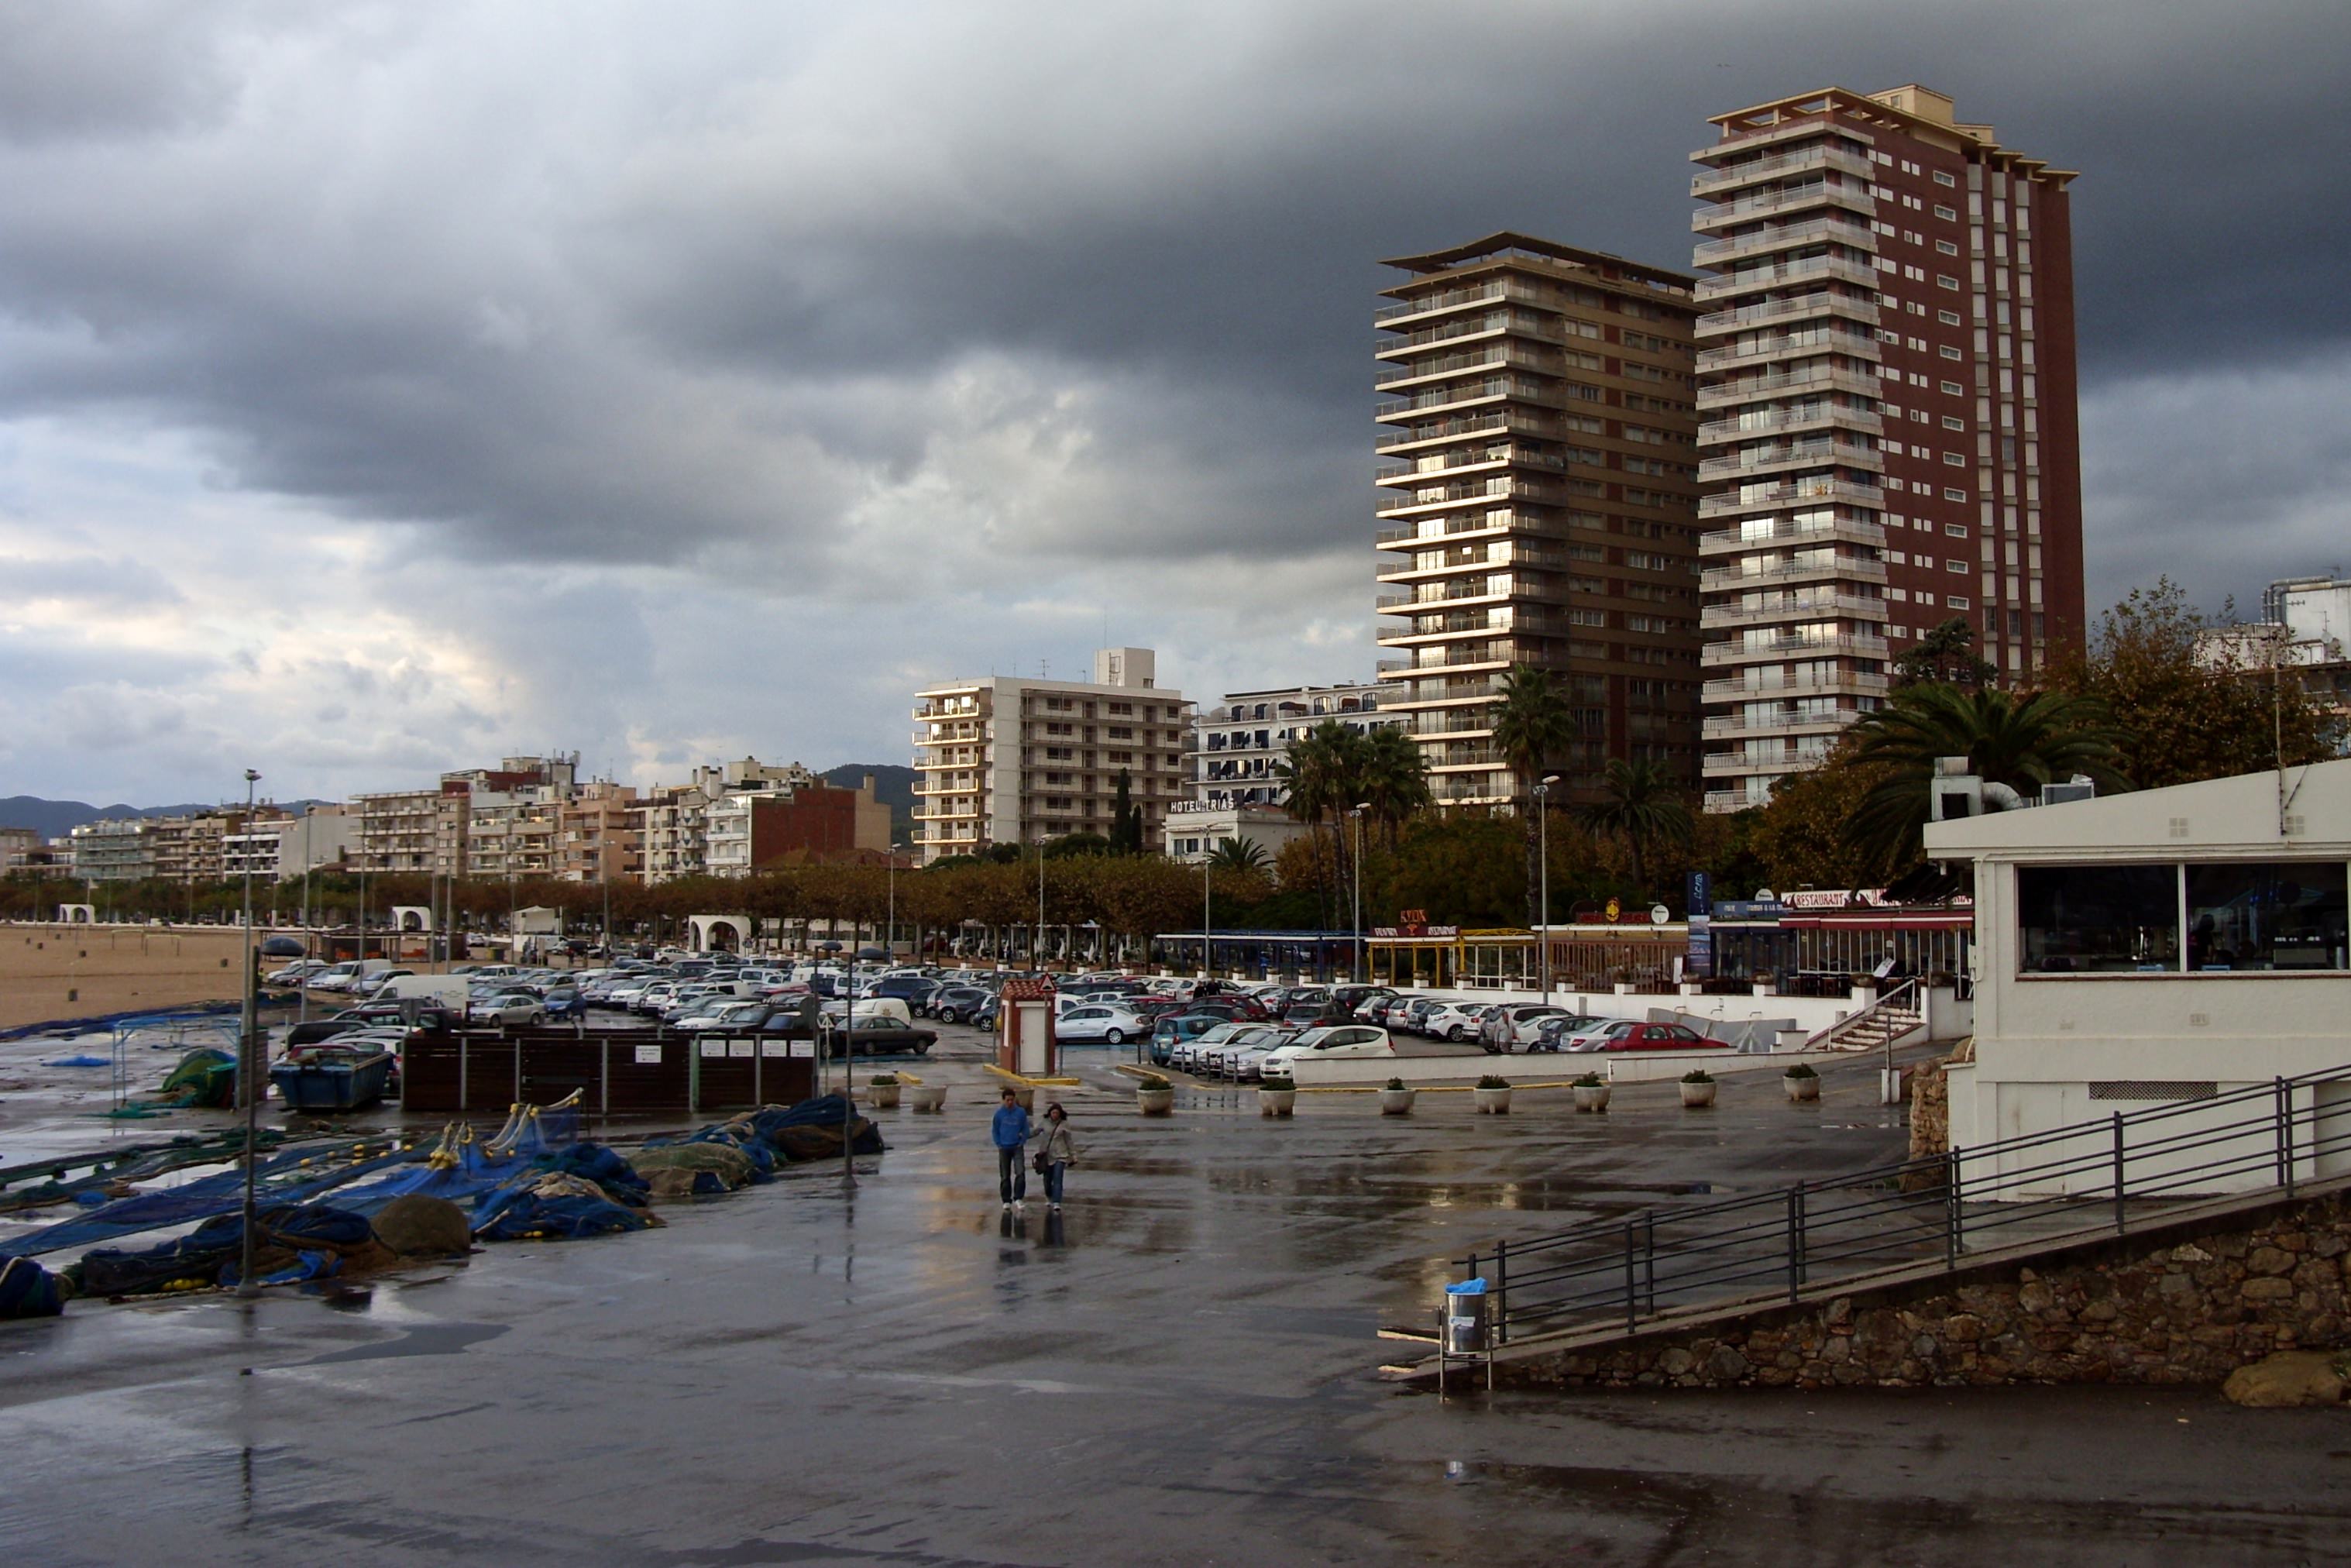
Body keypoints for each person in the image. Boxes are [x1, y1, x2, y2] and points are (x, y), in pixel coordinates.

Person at [1029, 1101, 1078, 1212]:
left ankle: (1057, 1202)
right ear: (1050, 1113)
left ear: (1060, 1114)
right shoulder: (1045, 1122)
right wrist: (1021, 1136)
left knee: (1058, 1179)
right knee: (1047, 1180)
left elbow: (1069, 1141)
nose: (1055, 1115)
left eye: (1057, 1113)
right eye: (1053, 1113)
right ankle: (1049, 1196)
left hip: (1061, 1155)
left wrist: (1073, 1155)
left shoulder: (1064, 1124)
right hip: (1046, 1155)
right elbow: (1034, 1132)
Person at [992, 1088, 1032, 1209]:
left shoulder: (1020, 1112)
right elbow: (995, 1130)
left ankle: (1018, 1198)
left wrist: (1022, 1141)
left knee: (1020, 1172)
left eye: (1012, 1100)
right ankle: (1006, 1200)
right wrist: (998, 1143)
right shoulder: (999, 1114)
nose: (1010, 1102)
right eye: (1008, 1100)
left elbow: (1025, 1128)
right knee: (1005, 1175)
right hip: (1004, 1147)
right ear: (1003, 1100)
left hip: (1017, 1146)